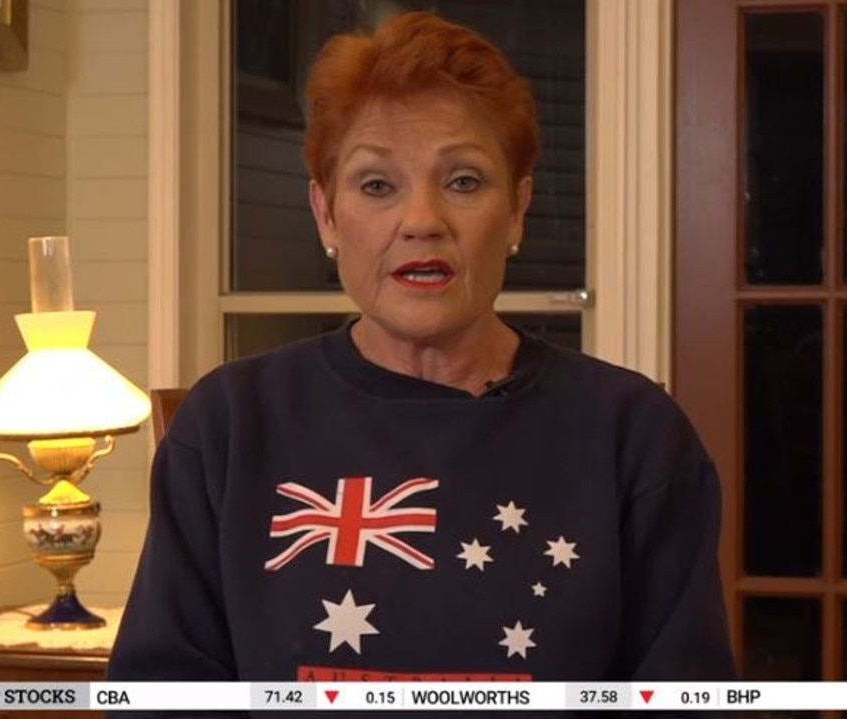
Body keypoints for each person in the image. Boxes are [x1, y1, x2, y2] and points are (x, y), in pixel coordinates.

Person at [108, 9, 735, 713]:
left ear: (519, 209)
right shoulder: (226, 425)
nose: (422, 220)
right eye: (377, 185)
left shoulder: (635, 434)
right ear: (325, 215)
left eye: (464, 181)